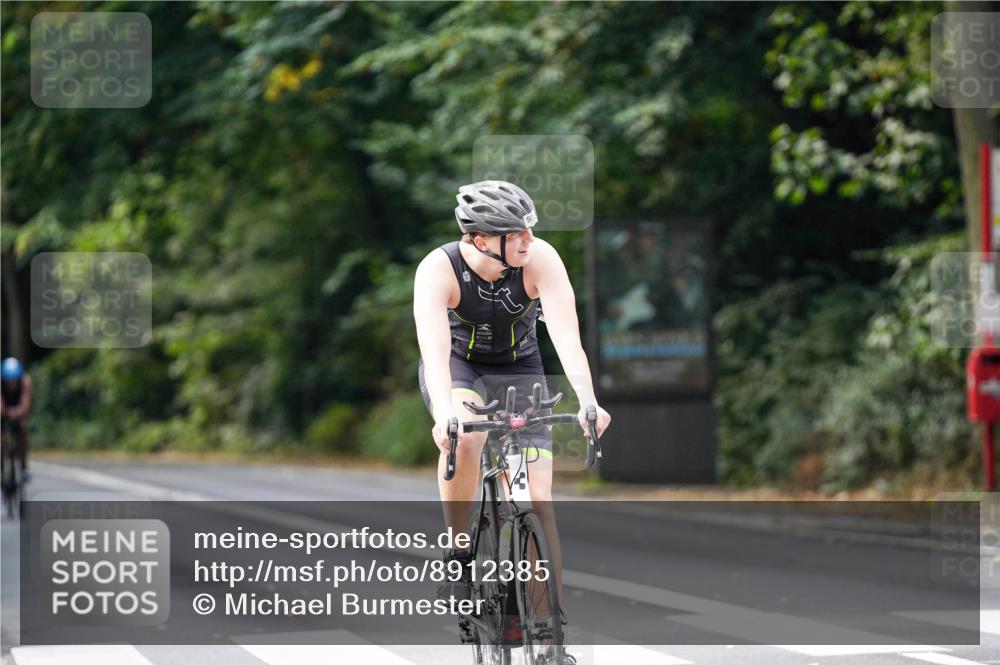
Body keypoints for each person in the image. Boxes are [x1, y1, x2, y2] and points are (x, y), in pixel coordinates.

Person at [412, 180, 611, 663]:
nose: (528, 238)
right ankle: (459, 551)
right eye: (515, 232)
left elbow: (567, 337)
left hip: (521, 370)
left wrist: (588, 400)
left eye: (529, 228)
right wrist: (444, 415)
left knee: (536, 501)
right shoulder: (439, 269)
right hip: (460, 369)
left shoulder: (541, 258)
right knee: (464, 440)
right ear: (482, 240)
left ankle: (547, 638)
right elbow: (435, 355)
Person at [0, 357, 32, 482]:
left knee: (23, 430)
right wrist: (6, 412)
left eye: (14, 380)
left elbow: (26, 403)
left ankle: (24, 467)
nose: (11, 383)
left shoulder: (25, 382)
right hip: (4, 411)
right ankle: (1, 472)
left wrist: (18, 412)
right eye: (8, 381)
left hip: (18, 411)